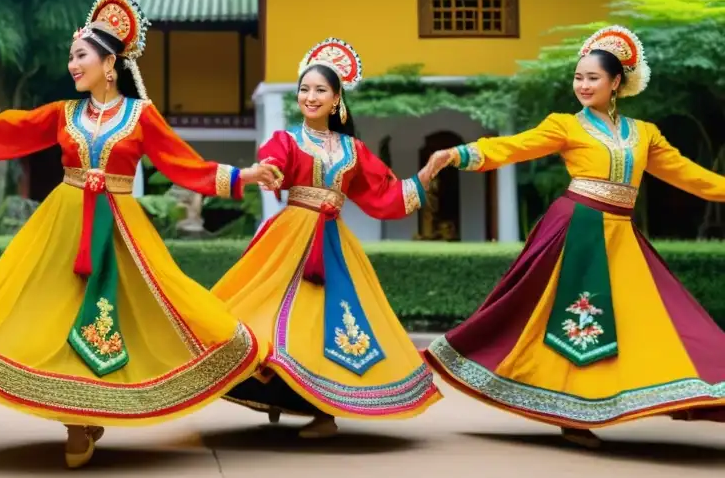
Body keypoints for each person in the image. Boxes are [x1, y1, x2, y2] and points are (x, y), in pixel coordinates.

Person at [0, 0, 276, 469]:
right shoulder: (64, 114)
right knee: (45, 309)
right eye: (71, 58)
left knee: (162, 300)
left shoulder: (141, 115)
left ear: (109, 63)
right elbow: (8, 128)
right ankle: (75, 418)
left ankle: (239, 354)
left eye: (80, 56)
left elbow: (184, 163)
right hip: (64, 223)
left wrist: (243, 176)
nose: (72, 65)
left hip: (118, 226)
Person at [423, 25, 725, 448]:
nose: (582, 85)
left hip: (620, 235)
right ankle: (572, 413)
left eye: (592, 78)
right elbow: (514, 147)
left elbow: (690, 175)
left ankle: (631, 395)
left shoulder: (645, 134)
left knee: (645, 317)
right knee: (573, 319)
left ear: (616, 82)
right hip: (577, 229)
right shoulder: (565, 125)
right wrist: (458, 153)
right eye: (578, 77)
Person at [211, 38, 442, 439]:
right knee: (271, 318)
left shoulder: (353, 150)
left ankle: (324, 412)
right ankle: (278, 393)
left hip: (332, 243)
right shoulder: (286, 140)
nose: (310, 96)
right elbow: (274, 165)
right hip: (290, 238)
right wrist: (266, 170)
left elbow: (383, 194)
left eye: (320, 90)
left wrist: (421, 180)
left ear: (337, 99)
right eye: (304, 89)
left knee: (326, 323)